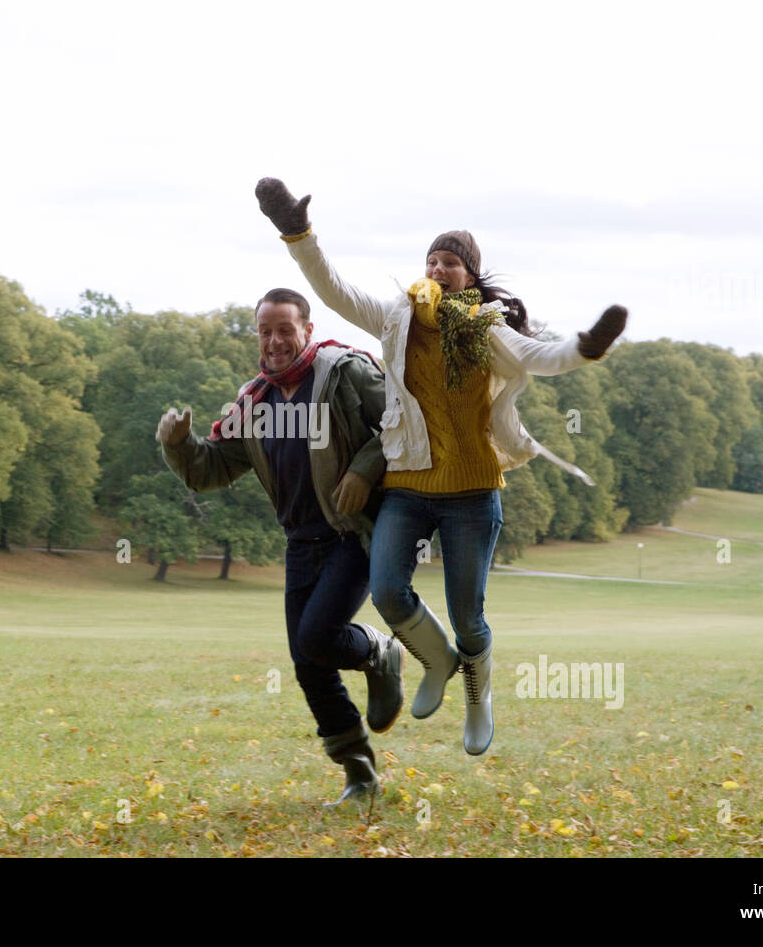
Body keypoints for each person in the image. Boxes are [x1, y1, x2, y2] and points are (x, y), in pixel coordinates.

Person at [255, 177, 628, 755]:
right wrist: (296, 233)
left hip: (473, 490)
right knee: (386, 591)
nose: (437, 267)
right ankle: (435, 665)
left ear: (469, 276)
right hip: (408, 486)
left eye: (449, 261)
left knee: (468, 617)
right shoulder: (396, 317)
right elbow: (332, 291)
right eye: (431, 259)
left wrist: (589, 345)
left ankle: (478, 698)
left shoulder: (488, 329)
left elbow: (542, 356)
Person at [157, 287, 405, 806]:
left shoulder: (345, 373)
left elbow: (403, 422)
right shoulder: (254, 401)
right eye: (265, 331)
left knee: (317, 637)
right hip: (300, 544)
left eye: (285, 329)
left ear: (307, 330)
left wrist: (364, 469)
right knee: (308, 665)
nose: (274, 341)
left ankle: (380, 650)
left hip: (353, 533)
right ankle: (360, 775)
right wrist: (178, 445)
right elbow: (213, 469)